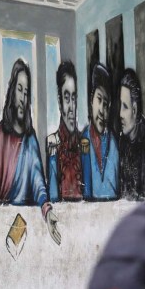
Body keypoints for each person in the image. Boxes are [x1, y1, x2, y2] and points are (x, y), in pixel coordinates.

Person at [0, 59, 61, 245]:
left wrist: (47, 210)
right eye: (19, 89)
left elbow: (37, 182)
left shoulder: (30, 138)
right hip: (2, 223)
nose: (23, 98)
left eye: (26, 93)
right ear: (12, 91)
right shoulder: (1, 133)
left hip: (26, 225)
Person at [81, 63, 119, 200]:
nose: (102, 111)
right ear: (91, 101)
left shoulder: (114, 145)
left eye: (106, 104)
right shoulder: (82, 141)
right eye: (99, 100)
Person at [46, 60, 83, 202]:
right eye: (67, 98)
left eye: (74, 98)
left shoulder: (84, 143)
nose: (72, 106)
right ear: (60, 103)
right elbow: (53, 198)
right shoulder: (52, 143)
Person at [118, 68, 145, 201]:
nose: (120, 114)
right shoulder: (122, 142)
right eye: (120, 105)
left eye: (125, 106)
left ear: (135, 110)